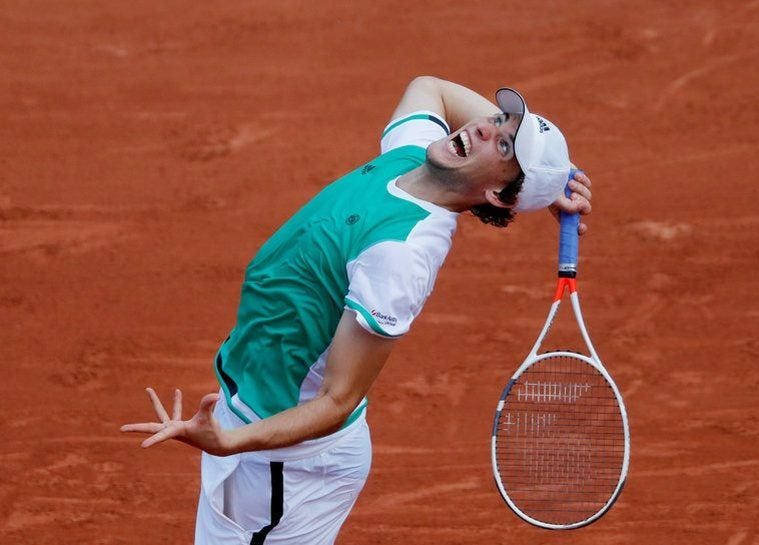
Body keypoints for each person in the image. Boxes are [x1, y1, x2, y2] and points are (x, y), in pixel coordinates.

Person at [121, 76, 593, 544]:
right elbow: (431, 88)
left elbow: (337, 400)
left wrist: (229, 443)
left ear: (498, 195)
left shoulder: (401, 254)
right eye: (497, 118)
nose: (483, 127)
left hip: (288, 465)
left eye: (504, 146)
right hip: (252, 421)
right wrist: (554, 173)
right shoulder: (409, 156)